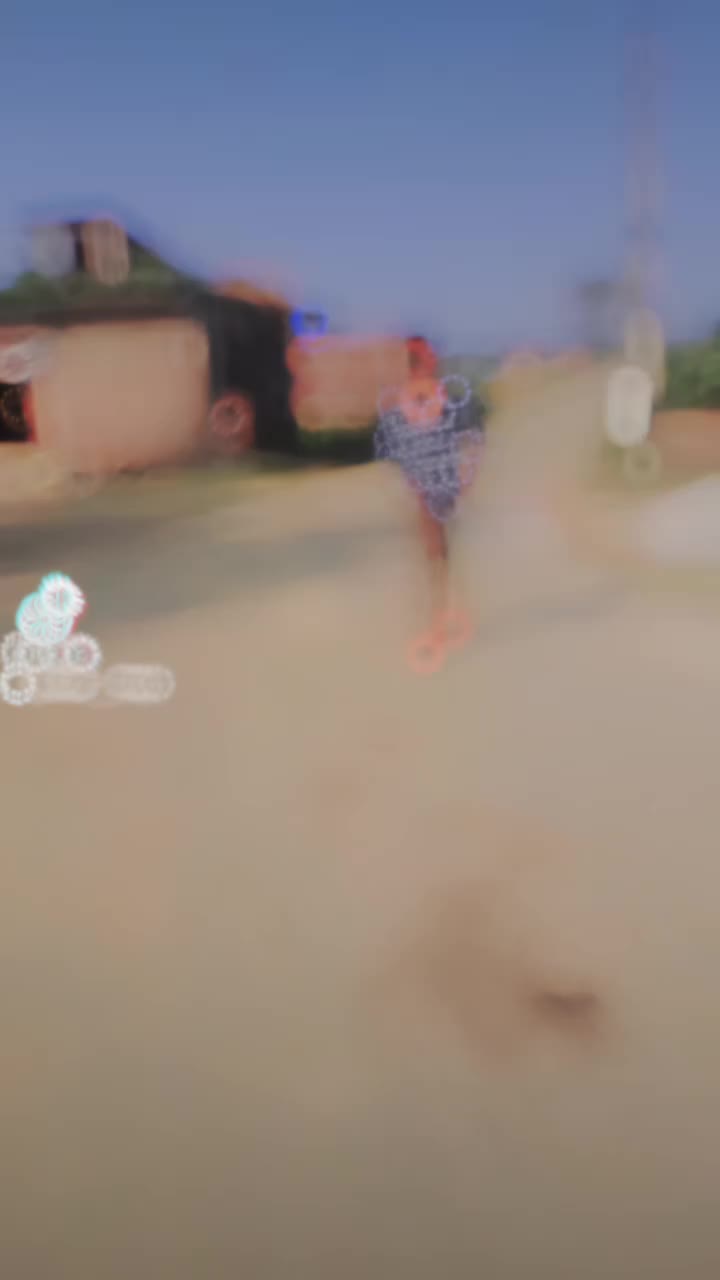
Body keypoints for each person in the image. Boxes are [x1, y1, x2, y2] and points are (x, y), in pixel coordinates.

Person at [375, 335, 485, 673]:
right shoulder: (405, 404)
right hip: (424, 488)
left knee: (438, 552)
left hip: (441, 486)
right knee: (433, 552)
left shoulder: (443, 399)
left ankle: (439, 615)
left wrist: (466, 477)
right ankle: (435, 616)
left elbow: (469, 437)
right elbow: (395, 448)